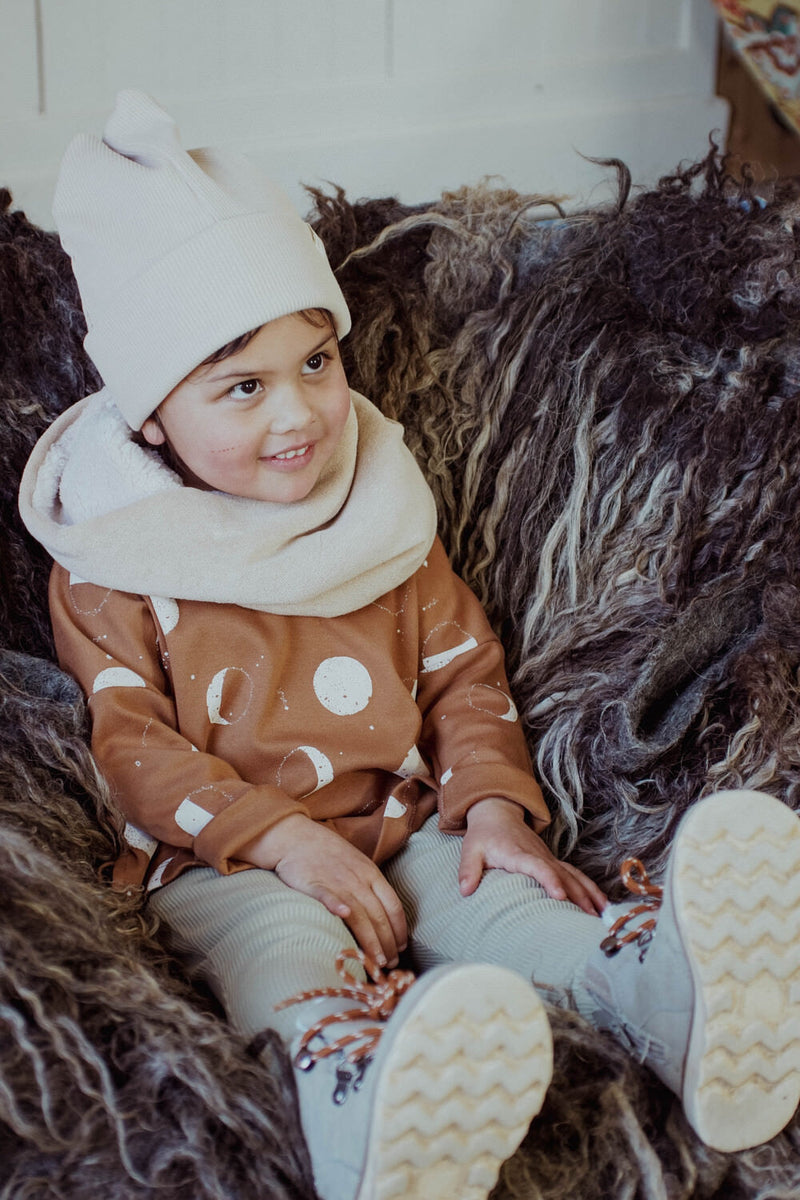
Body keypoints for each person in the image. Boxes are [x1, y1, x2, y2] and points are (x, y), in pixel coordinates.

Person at [19, 90, 800, 1199]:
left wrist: (489, 808)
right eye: (240, 387)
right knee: (283, 955)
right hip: (233, 861)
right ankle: (356, 1097)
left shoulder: (373, 506)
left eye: (315, 363)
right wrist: (288, 845)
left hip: (404, 820)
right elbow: (132, 748)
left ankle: (661, 995)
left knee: (505, 906)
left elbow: (463, 675)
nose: (296, 416)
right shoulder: (114, 556)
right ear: (150, 416)